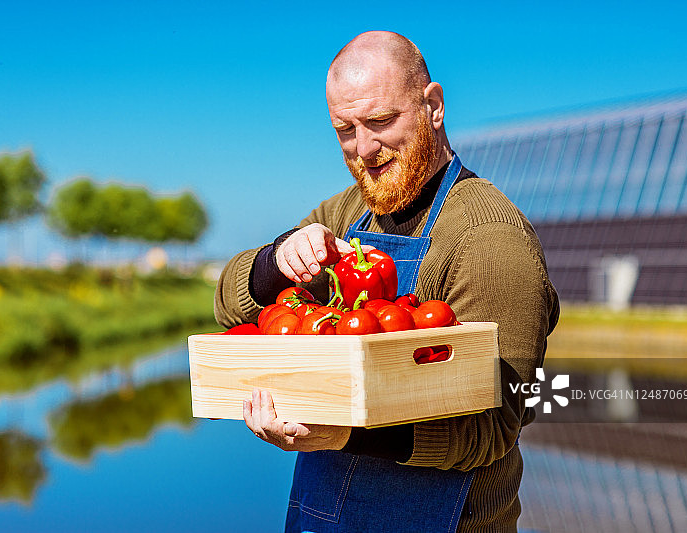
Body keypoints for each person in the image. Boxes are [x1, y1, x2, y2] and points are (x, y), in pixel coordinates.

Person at [214, 31, 559, 533]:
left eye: (380, 121)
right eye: (344, 129)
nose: (364, 149)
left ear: (433, 106)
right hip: (325, 518)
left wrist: (344, 435)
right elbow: (228, 312)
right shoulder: (347, 212)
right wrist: (278, 260)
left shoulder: (488, 237)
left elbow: (494, 427)